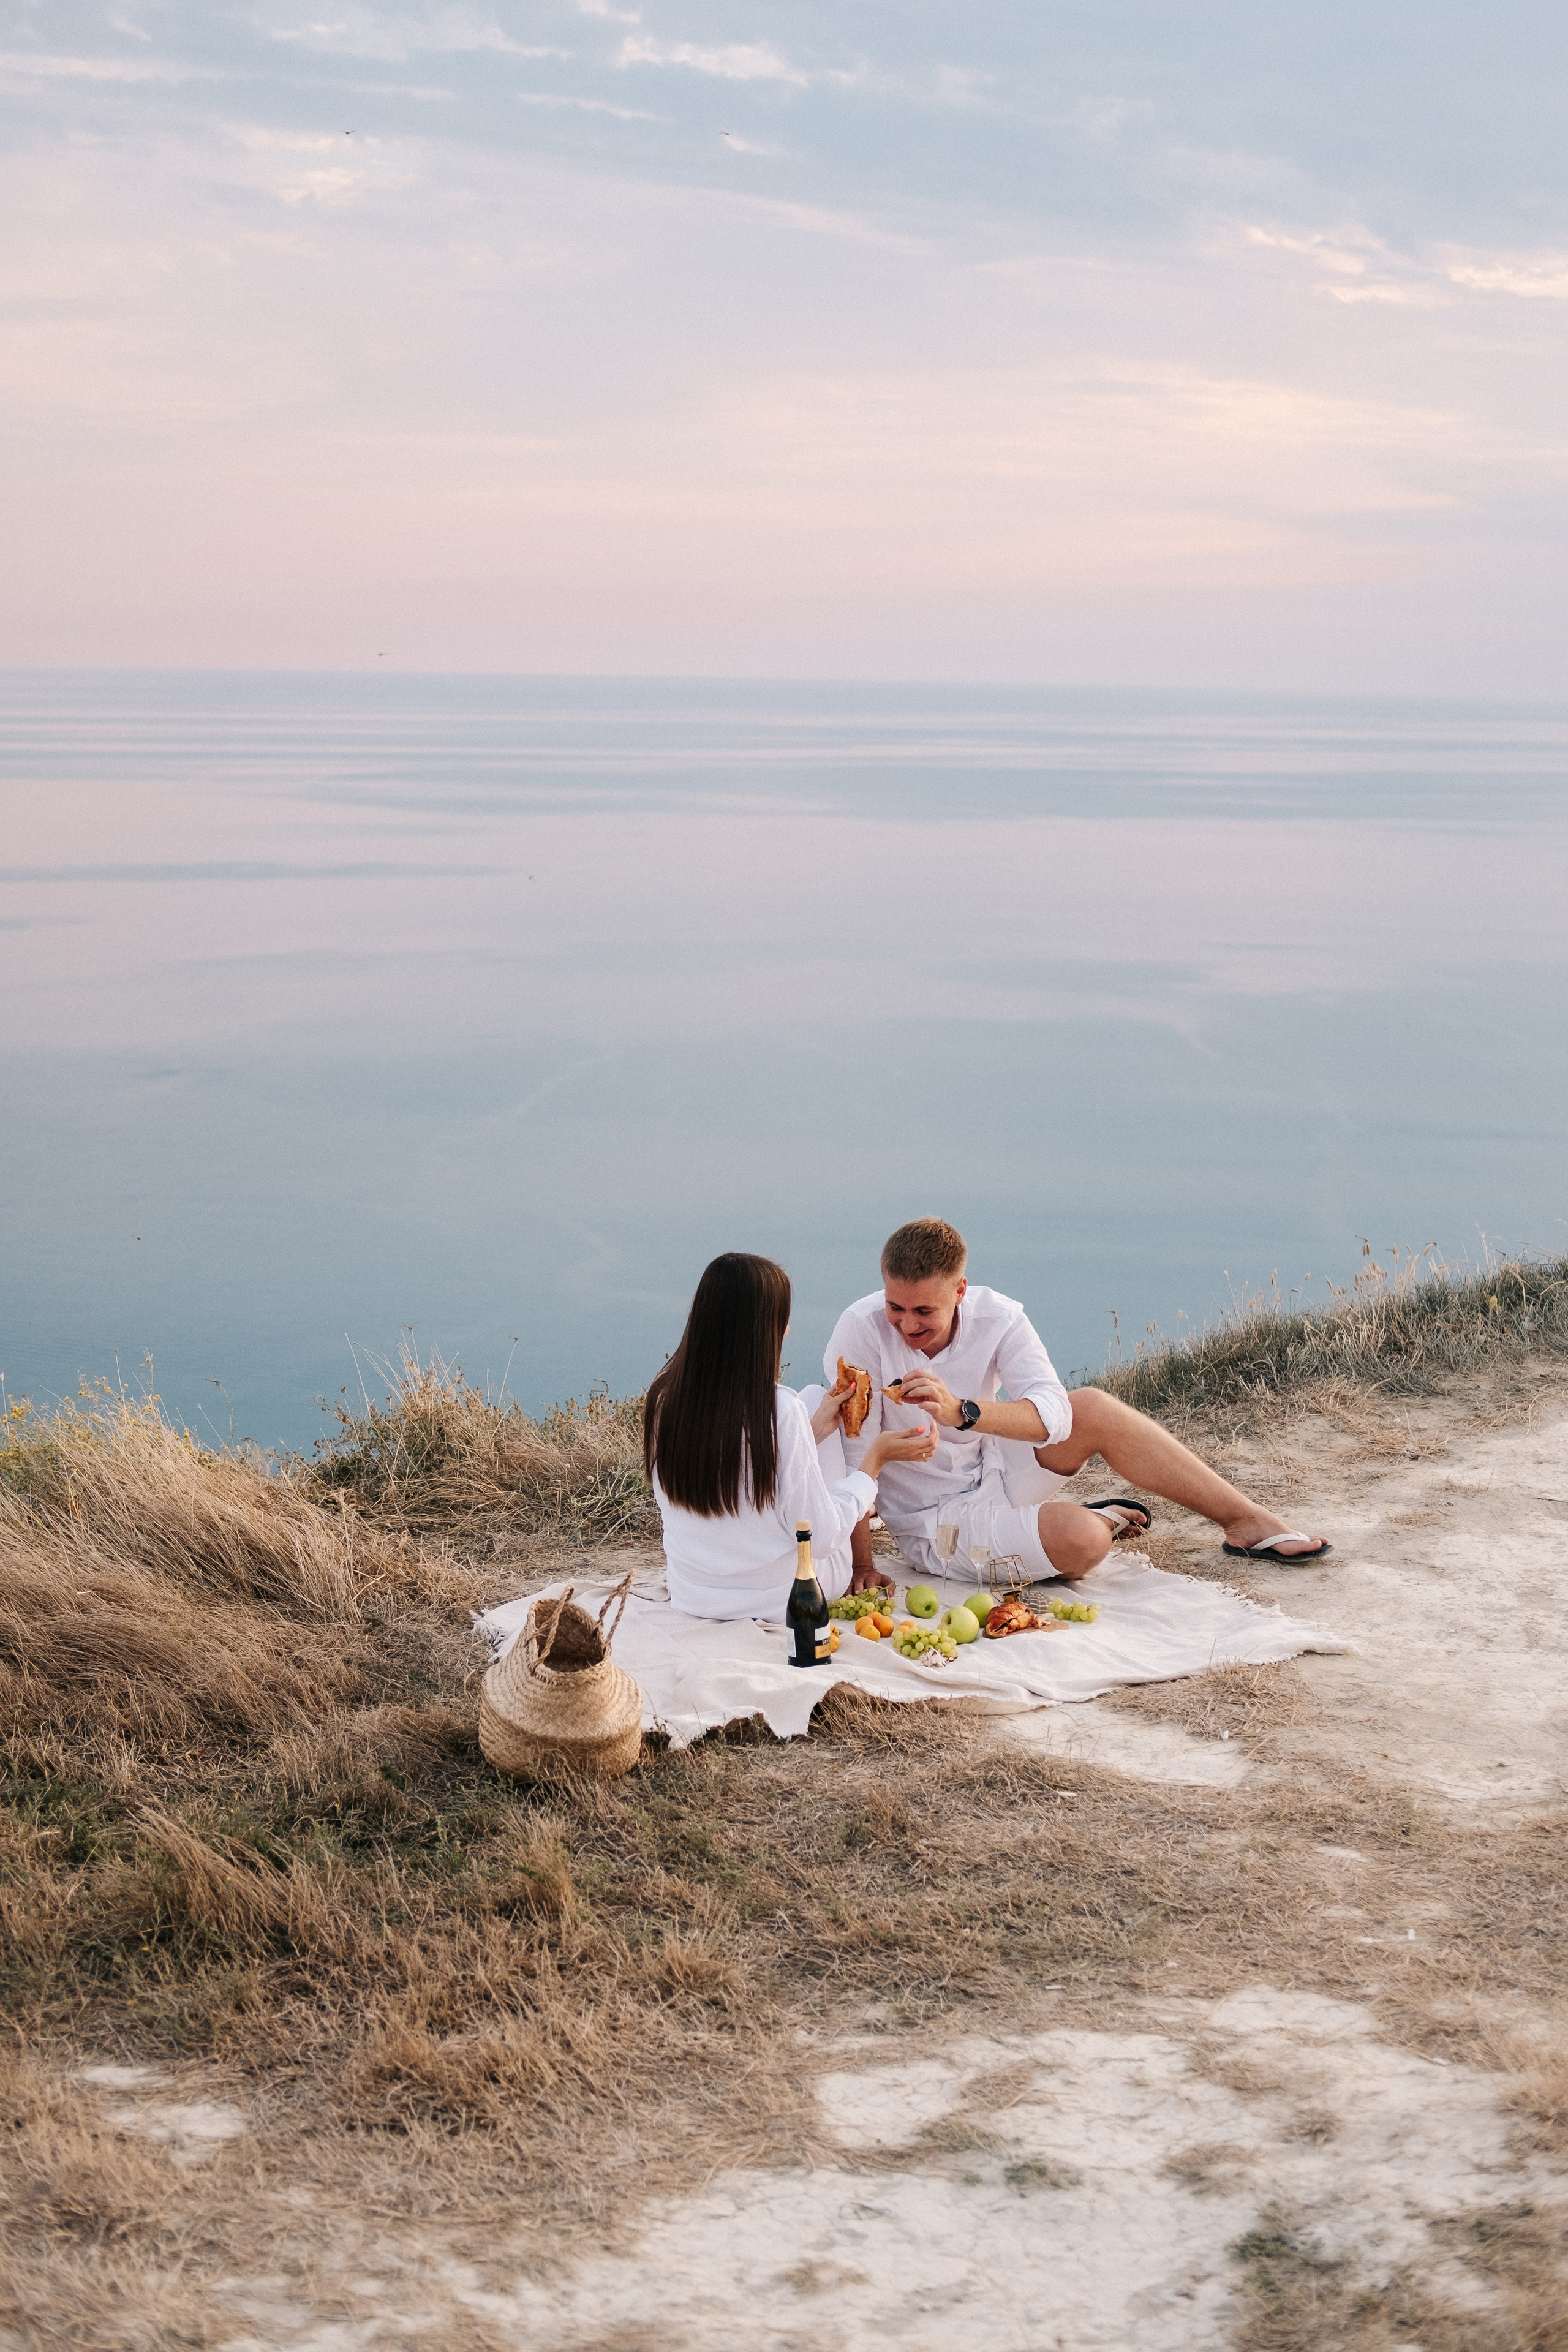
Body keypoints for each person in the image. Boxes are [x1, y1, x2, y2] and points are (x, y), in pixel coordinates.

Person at [826, 1217, 1331, 1591]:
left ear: (960, 1291)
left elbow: (1055, 1415)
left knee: (1089, 1405)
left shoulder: (998, 1317)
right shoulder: (861, 1330)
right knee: (1084, 1542)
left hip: (996, 1468)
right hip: (934, 1521)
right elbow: (855, 1455)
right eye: (895, 1307)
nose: (907, 1325)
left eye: (923, 1311)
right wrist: (863, 1565)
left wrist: (963, 1410)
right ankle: (1091, 1521)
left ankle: (1245, 1521)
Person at [644, 1250, 938, 1619]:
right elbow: (824, 1538)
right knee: (812, 1404)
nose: (787, 1330)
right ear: (764, 1328)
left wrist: (811, 1433)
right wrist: (873, 1464)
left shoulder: (664, 1396)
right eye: (782, 1319)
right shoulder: (780, 1410)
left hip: (694, 1593)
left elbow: (738, 1464)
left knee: (816, 1399)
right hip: (785, 1597)